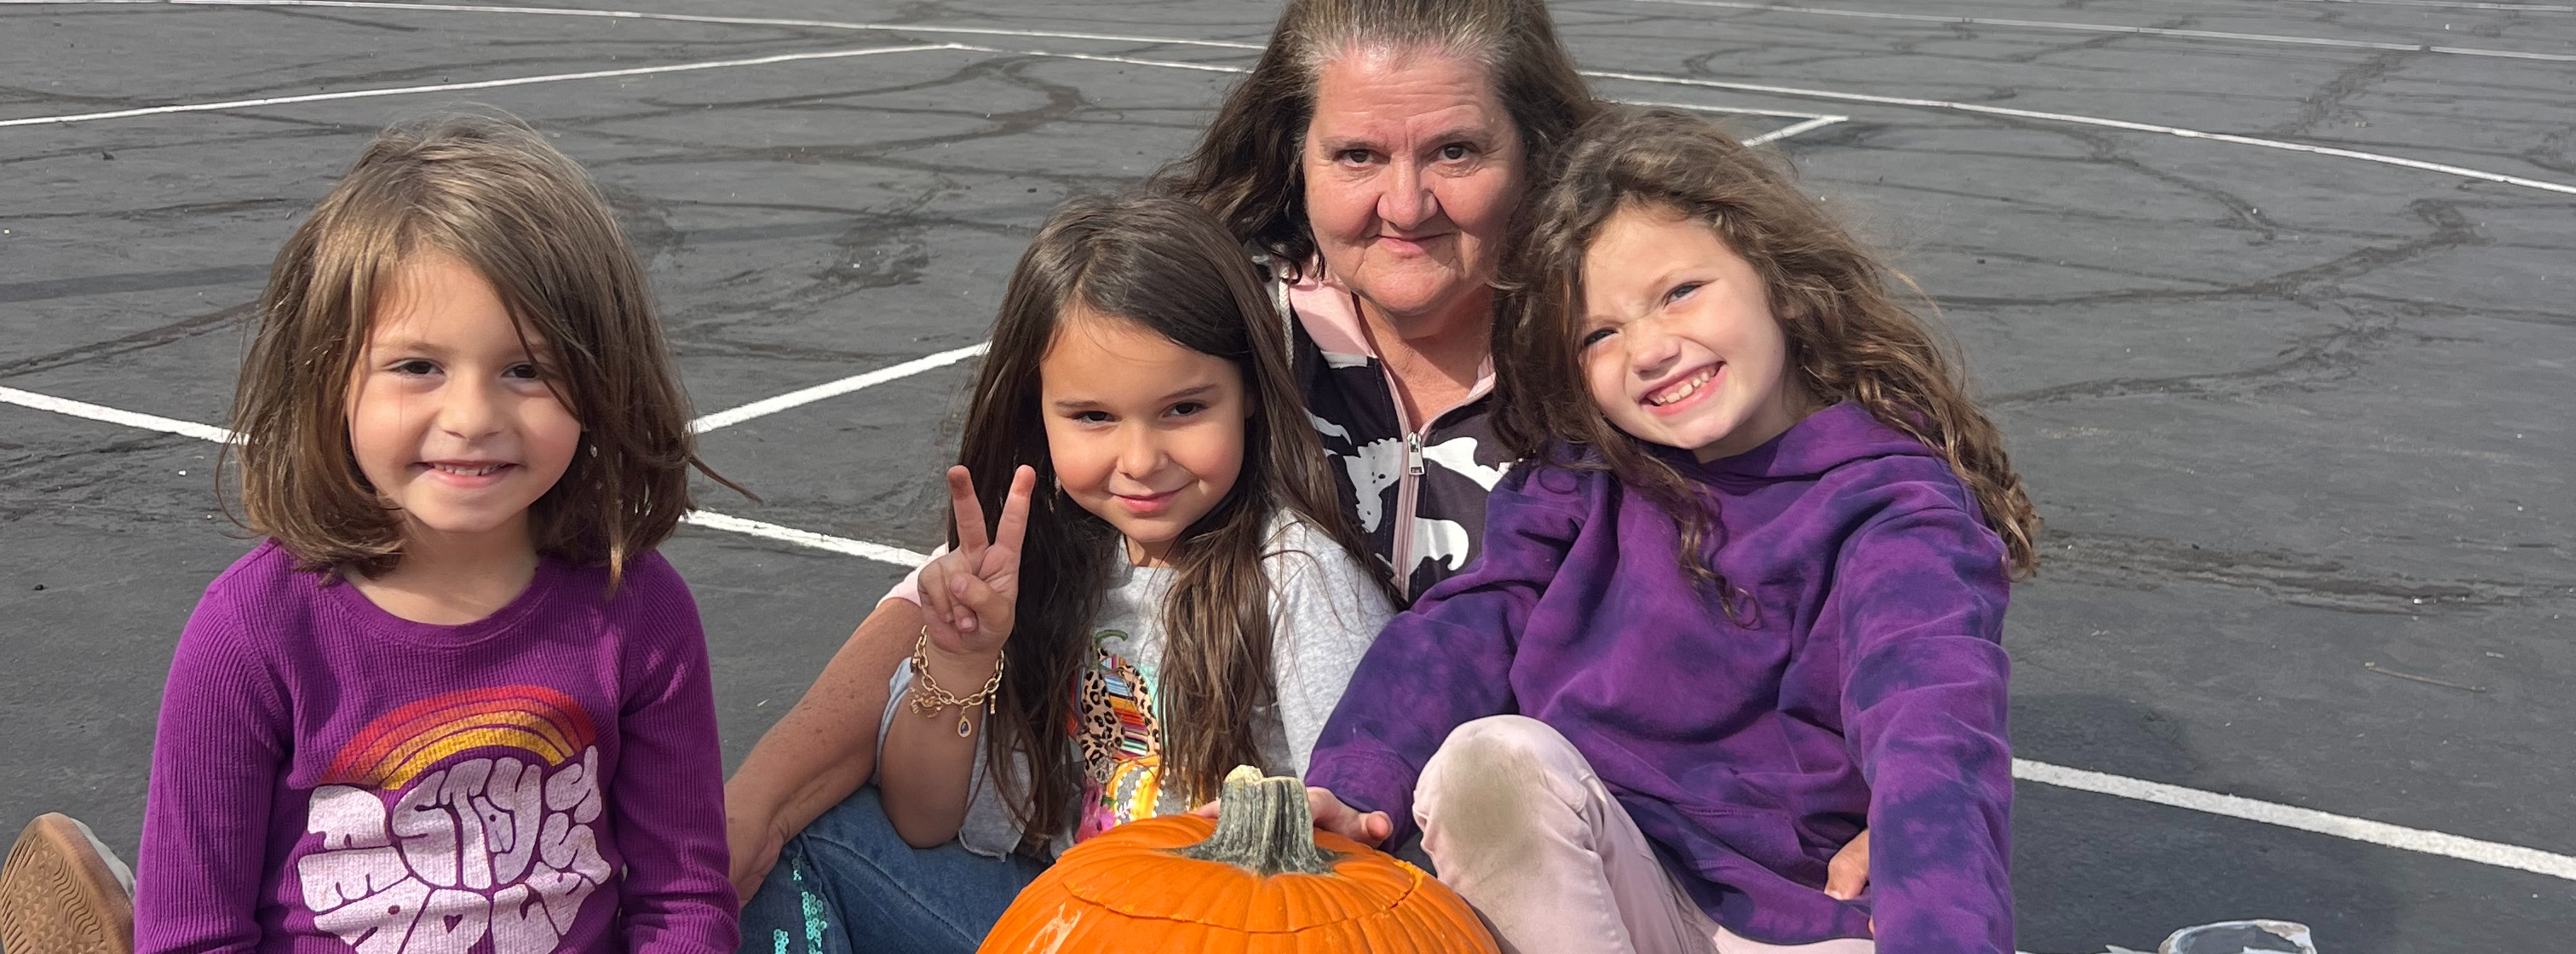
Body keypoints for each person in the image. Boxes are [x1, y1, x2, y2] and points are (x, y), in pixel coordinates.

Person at [721, 0, 1629, 901]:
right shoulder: (1233, 312)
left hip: (1473, 860)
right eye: (1356, 154)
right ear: (1294, 155)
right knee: (809, 841)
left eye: (1456, 150)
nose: (1405, 203)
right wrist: (758, 801)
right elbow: (965, 582)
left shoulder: (1625, 356)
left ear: (1536, 149)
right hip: (1128, 881)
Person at [1301, 106, 2043, 954]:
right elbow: (1465, 626)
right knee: (1488, 764)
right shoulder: (1580, 478)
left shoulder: (1893, 507)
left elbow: (1933, 735)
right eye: (1601, 334)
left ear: (1776, 275)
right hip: (1598, 893)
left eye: (1678, 293)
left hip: (1792, 916)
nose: (1650, 349)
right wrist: (1351, 783)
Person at [130, 115, 739, 954]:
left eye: (527, 369)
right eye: (418, 366)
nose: (472, 418)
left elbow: (683, 902)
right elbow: (193, 934)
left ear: (603, 383)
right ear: (329, 379)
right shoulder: (252, 632)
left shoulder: (640, 613)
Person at [734, 194, 1396, 953]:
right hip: (1060, 920)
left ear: (1248, 392)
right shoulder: (1041, 566)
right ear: (1037, 414)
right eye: (1093, 417)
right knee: (810, 844)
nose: (1142, 459)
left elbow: (1348, 841)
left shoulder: (1298, 579)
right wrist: (957, 661)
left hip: (1221, 934)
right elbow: (922, 819)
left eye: (1183, 408)